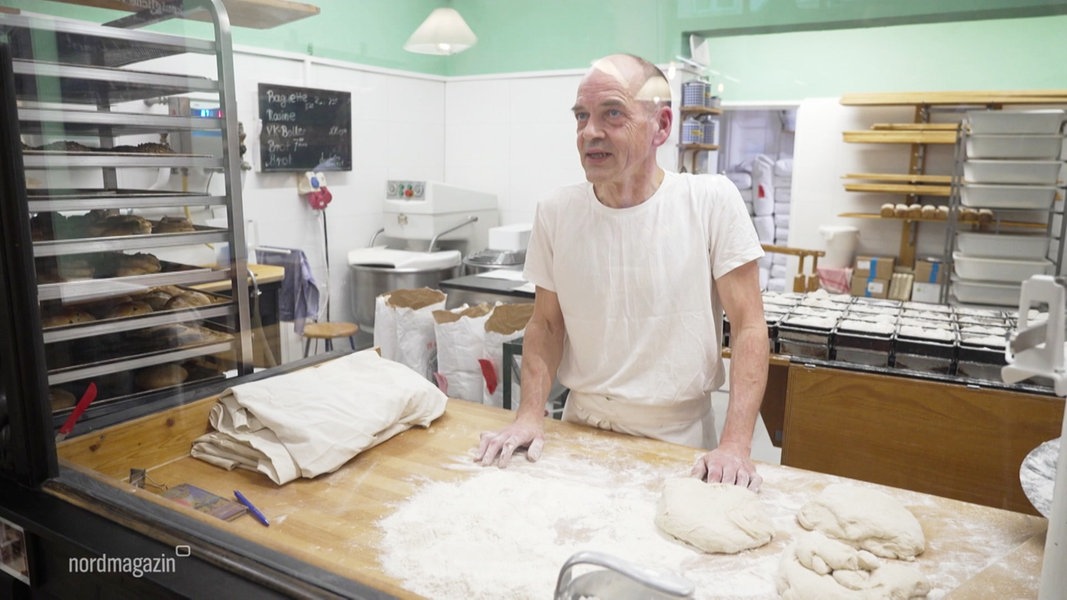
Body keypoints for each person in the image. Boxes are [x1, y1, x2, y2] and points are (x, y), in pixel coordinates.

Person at [474, 53, 769, 490]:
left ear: (661, 126)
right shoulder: (557, 212)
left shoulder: (709, 202)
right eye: (581, 116)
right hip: (579, 427)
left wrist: (735, 444)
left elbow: (748, 327)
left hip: (677, 439)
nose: (590, 132)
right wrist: (529, 415)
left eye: (612, 113)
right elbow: (547, 325)